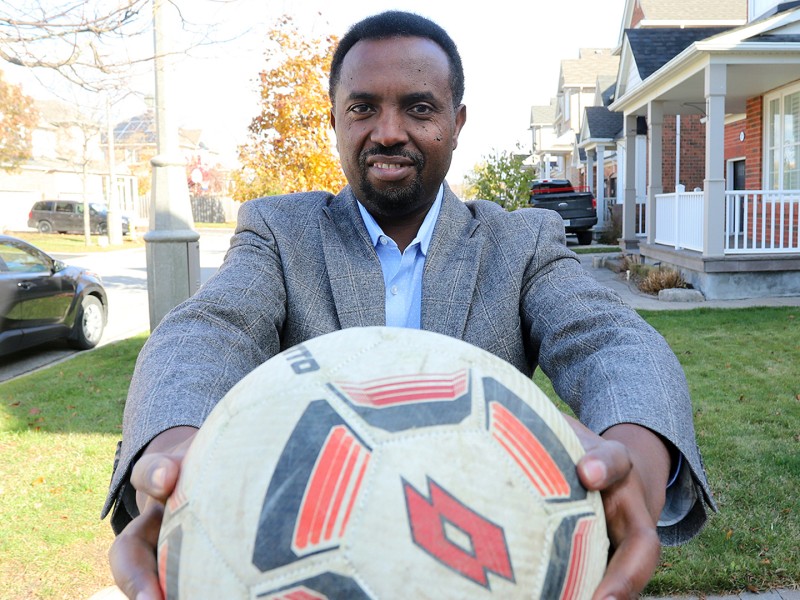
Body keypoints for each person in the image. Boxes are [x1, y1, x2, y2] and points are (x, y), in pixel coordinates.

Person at [105, 10, 715, 600]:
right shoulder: (279, 232)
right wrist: (173, 456)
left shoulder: (520, 242)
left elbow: (611, 340)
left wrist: (634, 462)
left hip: (485, 563)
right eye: (363, 107)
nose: (389, 130)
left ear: (457, 121)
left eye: (419, 108)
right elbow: (207, 332)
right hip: (308, 558)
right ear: (336, 120)